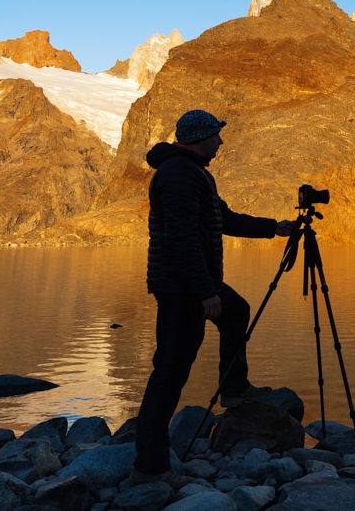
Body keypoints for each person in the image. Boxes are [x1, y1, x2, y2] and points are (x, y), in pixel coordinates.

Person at [131, 109, 295, 487]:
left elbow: (226, 220)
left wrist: (275, 229)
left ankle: (234, 388)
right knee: (170, 370)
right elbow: (181, 240)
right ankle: (150, 467)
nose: (221, 142)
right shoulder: (178, 175)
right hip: (181, 287)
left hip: (194, 280)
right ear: (200, 136)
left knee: (237, 311)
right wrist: (205, 293)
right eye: (216, 135)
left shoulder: (195, 173)